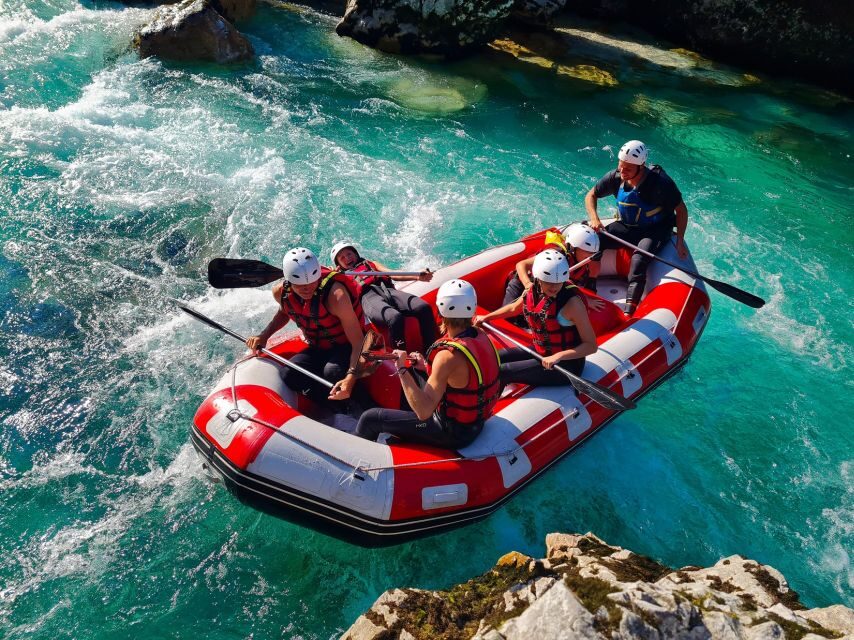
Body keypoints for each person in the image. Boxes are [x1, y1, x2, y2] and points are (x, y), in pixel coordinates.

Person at [354, 279, 501, 450]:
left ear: (440, 310)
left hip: (452, 431)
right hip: (476, 421)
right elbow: (459, 378)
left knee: (371, 418)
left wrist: (401, 368)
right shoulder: (480, 334)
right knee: (415, 373)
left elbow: (424, 412)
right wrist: (424, 366)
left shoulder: (446, 356)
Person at [245, 247, 365, 407]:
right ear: (288, 281)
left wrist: (350, 378)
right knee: (289, 374)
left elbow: (358, 343)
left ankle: (353, 404)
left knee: (333, 372)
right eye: (300, 285)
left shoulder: (336, 296)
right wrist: (264, 335)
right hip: (318, 346)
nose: (307, 288)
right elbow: (284, 313)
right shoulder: (280, 292)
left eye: (311, 282)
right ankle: (327, 403)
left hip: (346, 345)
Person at [584, 140, 689, 315]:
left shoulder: (660, 184)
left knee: (639, 260)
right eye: (621, 166)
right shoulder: (615, 177)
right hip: (628, 226)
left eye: (628, 169)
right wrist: (594, 218)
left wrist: (679, 240)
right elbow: (591, 195)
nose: (622, 172)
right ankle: (589, 288)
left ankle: (628, 313)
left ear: (641, 167)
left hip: (654, 231)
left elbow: (681, 209)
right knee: (594, 243)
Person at [476, 250, 597, 386]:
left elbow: (591, 346)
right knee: (495, 356)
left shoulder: (573, 304)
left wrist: (558, 356)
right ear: (538, 278)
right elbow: (513, 308)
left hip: (566, 365)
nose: (554, 287)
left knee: (504, 371)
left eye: (558, 282)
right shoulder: (532, 290)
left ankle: (486, 404)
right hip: (542, 350)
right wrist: (487, 317)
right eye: (549, 282)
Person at [330, 241, 437, 351]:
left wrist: (417, 276)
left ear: (356, 254)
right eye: (342, 257)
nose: (347, 258)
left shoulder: (371, 264)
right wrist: (332, 276)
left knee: (423, 307)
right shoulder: (340, 278)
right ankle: (401, 360)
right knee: (394, 318)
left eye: (349, 254)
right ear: (338, 264)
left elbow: (392, 273)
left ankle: (430, 350)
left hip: (388, 290)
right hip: (368, 298)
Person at [502, 223, 601, 306]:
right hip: (523, 284)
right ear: (573, 248)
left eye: (593, 252)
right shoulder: (554, 254)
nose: (591, 255)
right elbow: (521, 265)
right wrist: (528, 285)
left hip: (547, 289)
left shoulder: (588, 260)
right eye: (587, 252)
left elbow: (583, 286)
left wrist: (586, 299)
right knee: (510, 319)